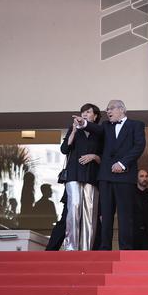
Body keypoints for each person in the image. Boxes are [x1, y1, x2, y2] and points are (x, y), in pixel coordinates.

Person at [76, 99, 146, 250]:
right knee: (106, 215)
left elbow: (139, 146)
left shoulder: (136, 125)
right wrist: (84, 124)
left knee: (125, 215)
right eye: (107, 109)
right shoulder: (106, 126)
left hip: (125, 176)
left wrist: (122, 163)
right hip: (106, 176)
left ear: (122, 109)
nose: (108, 112)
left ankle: (126, 249)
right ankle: (105, 248)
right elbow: (96, 130)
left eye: (111, 108)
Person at [61, 103, 102, 251]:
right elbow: (64, 149)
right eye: (83, 112)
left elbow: (104, 156)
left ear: (95, 116)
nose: (84, 114)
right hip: (73, 174)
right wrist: (73, 130)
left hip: (91, 175)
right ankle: (71, 247)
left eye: (88, 112)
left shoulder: (99, 131)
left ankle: (86, 248)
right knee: (74, 206)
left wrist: (94, 156)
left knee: (89, 212)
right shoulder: (75, 130)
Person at [134, 169, 148, 250]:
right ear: (137, 178)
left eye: (146, 176)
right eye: (141, 176)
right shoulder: (131, 194)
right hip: (135, 233)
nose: (144, 178)